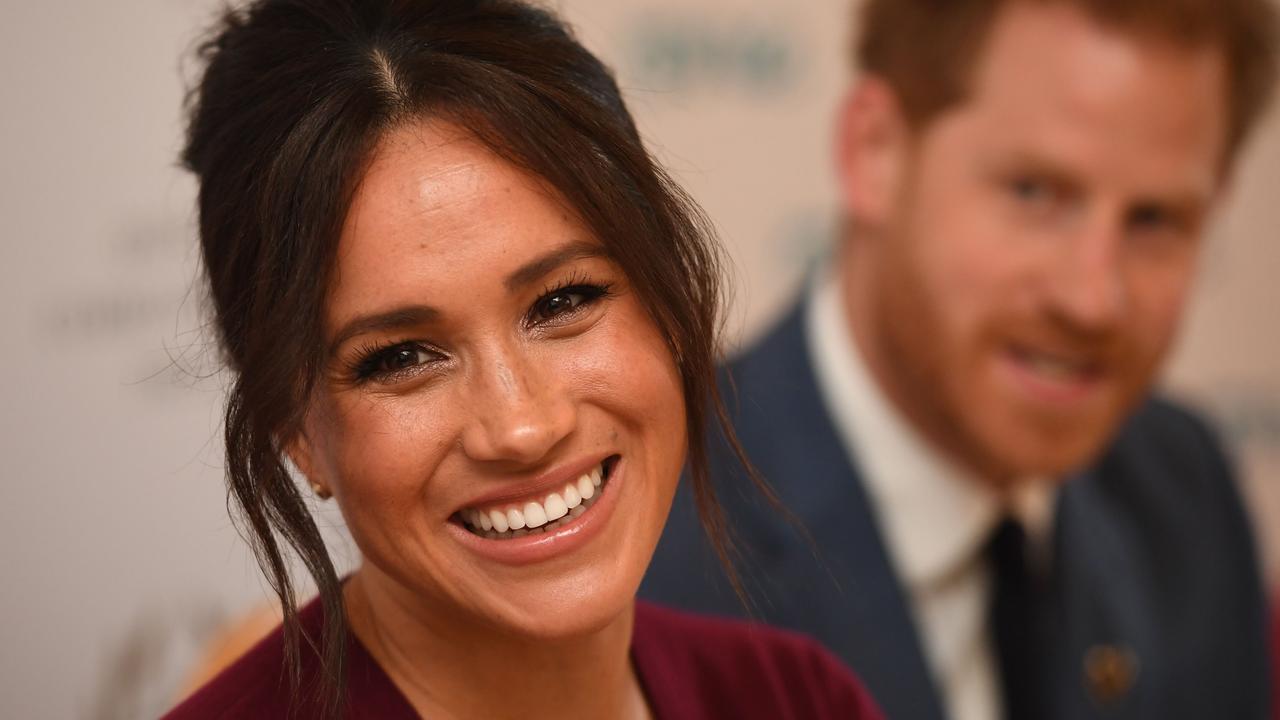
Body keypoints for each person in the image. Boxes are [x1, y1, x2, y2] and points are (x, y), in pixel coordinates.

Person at [161, 1, 884, 718]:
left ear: (666, 299)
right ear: (292, 427)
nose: (522, 427)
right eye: (402, 356)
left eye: (564, 301)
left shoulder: (797, 699)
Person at [642, 1, 1278, 719]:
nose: (1093, 298)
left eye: (1155, 220)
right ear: (873, 150)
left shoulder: (1181, 490)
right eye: (1034, 192)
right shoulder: (647, 543)